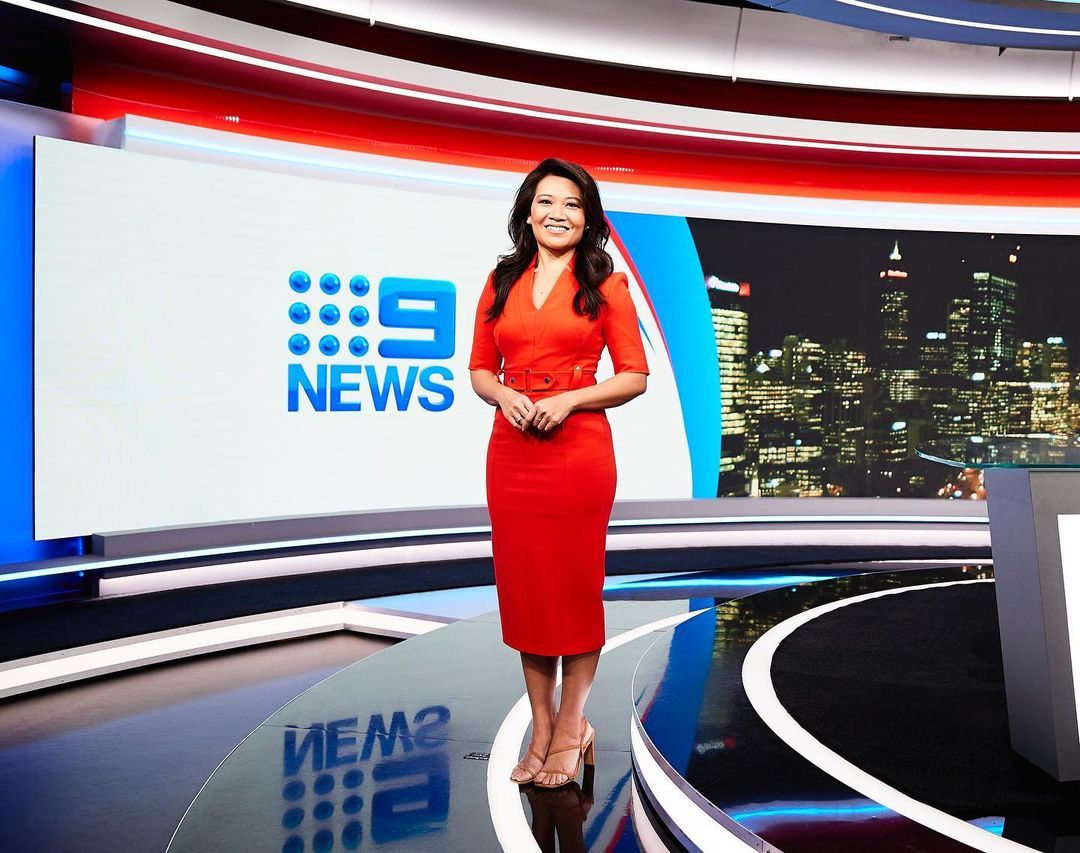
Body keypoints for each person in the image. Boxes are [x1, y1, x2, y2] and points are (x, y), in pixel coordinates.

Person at [468, 157, 649, 788]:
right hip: (512, 450)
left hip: (577, 451)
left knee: (571, 588)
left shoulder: (607, 283)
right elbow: (480, 369)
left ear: (587, 217)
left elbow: (634, 376)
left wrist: (570, 400)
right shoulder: (501, 280)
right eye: (546, 201)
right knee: (527, 591)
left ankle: (573, 726)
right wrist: (503, 395)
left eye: (572, 204)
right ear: (527, 212)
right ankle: (541, 728)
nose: (557, 214)